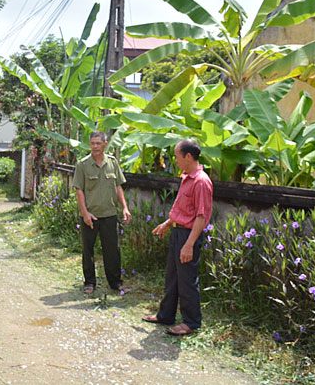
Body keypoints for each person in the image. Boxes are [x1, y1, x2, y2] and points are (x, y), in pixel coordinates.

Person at [142, 139, 213, 335]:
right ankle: (166, 315)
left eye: (177, 156)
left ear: (188, 156)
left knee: (187, 279)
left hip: (188, 235)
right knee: (172, 276)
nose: (175, 160)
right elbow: (183, 209)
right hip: (177, 232)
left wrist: (189, 244)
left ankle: (191, 322)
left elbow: (201, 216)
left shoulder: (201, 182)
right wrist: (167, 224)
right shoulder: (186, 177)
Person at [73, 131, 132, 295]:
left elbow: (118, 187)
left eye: (98, 143)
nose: (95, 147)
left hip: (109, 214)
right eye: (92, 143)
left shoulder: (112, 163)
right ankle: (89, 282)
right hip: (90, 216)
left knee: (112, 250)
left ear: (105, 144)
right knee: (88, 250)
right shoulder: (83, 165)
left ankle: (115, 283)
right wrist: (85, 213)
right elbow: (79, 190)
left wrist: (125, 208)